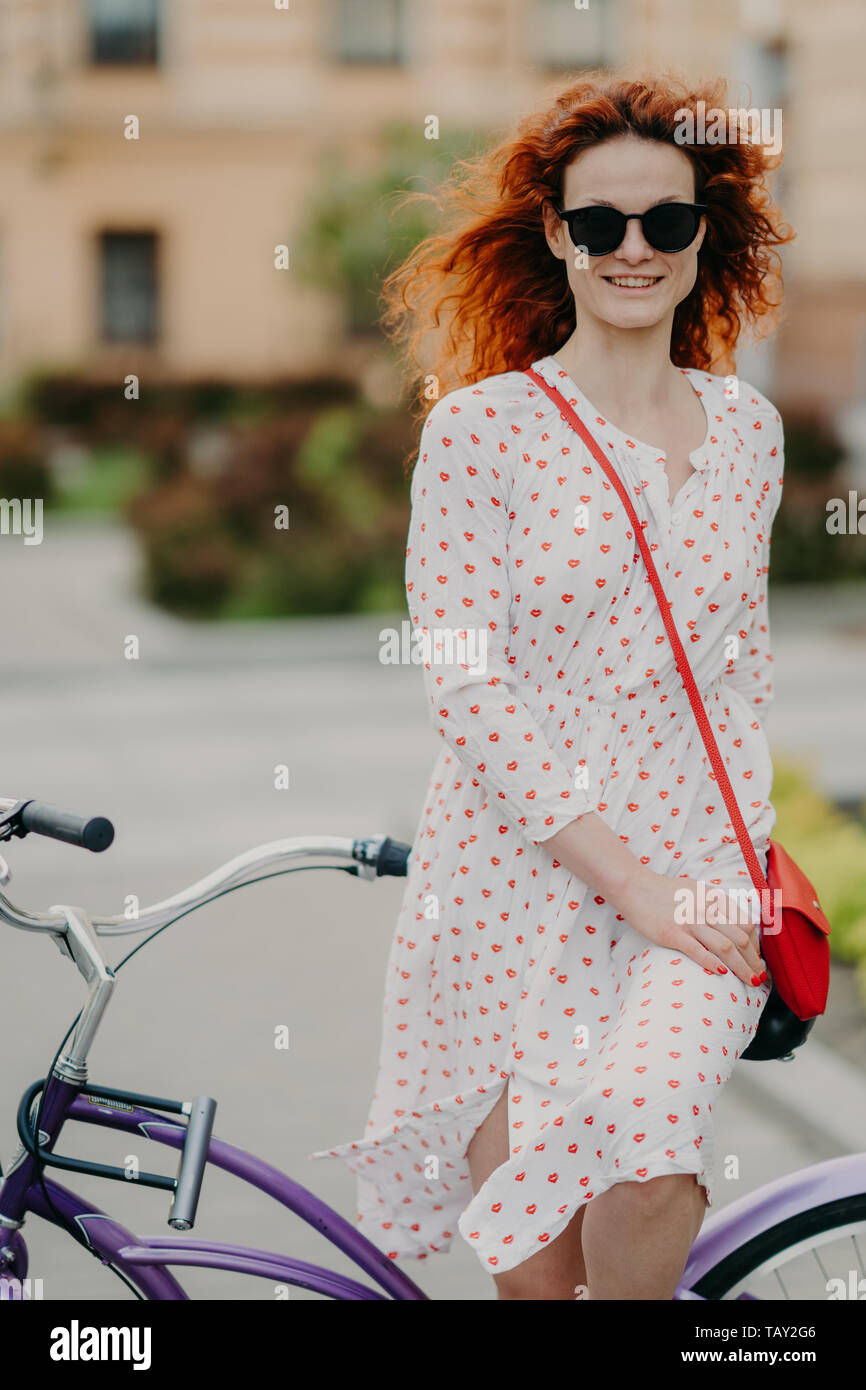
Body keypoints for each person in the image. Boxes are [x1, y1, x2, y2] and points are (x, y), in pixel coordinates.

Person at [312, 71, 794, 1300]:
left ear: (703, 234)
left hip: (688, 883)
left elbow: (738, 672)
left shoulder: (747, 433)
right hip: (510, 885)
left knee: (647, 1153)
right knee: (532, 1278)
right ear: (554, 236)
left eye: (665, 222)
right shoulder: (480, 434)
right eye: (598, 224)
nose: (632, 251)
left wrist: (739, 865)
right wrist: (621, 881)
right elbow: (468, 689)